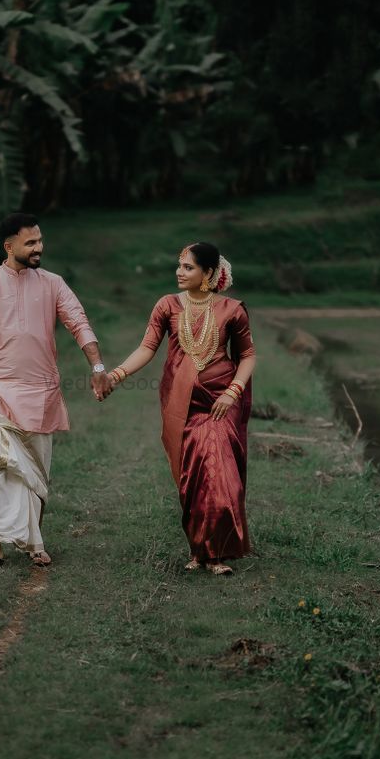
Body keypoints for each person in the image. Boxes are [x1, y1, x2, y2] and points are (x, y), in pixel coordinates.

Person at [0, 212, 110, 568]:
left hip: (41, 391)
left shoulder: (53, 284)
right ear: (8, 246)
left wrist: (98, 366)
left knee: (35, 471)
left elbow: (79, 322)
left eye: (40, 241)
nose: (38, 247)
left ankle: (33, 542)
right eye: (30, 242)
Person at [104, 242, 256, 575]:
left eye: (188, 267)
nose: (179, 272)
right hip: (181, 403)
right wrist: (117, 374)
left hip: (220, 402)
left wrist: (233, 391)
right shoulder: (167, 305)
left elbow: (247, 355)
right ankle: (200, 551)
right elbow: (147, 348)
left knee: (220, 472)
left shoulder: (232, 310)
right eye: (179, 265)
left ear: (209, 274)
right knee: (192, 476)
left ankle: (217, 555)